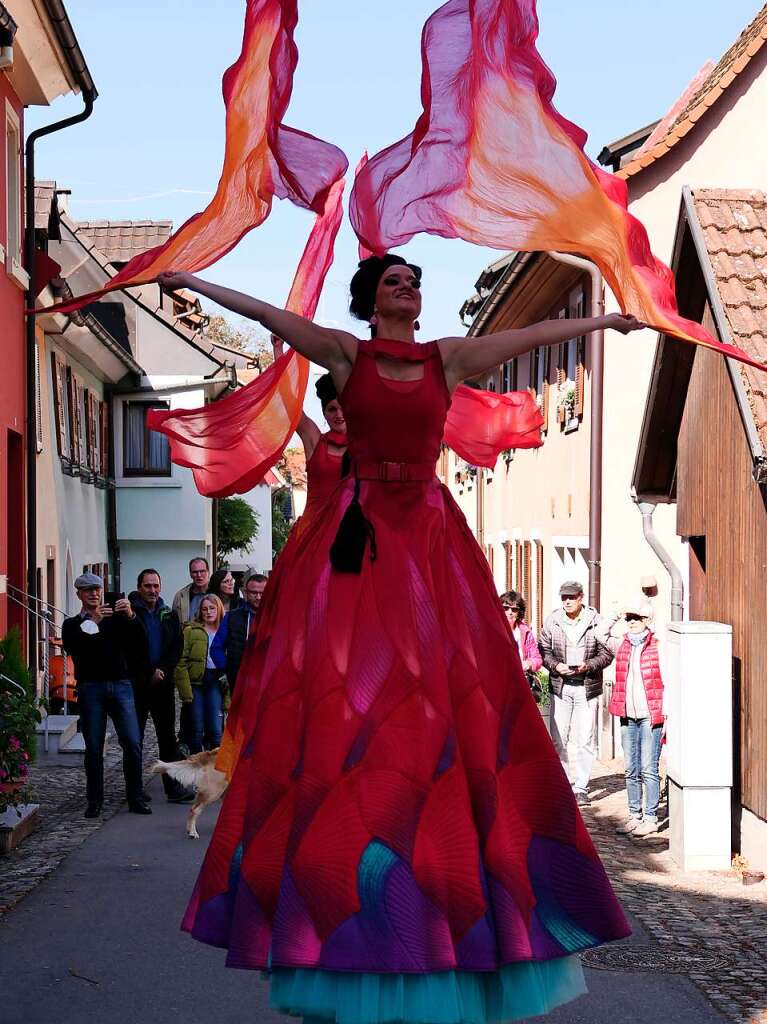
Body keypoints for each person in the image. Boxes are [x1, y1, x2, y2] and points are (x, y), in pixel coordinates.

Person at [159, 258, 641, 1023]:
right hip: (360, 539)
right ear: (370, 301)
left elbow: (531, 332)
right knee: (348, 701)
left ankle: (448, 856)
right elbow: (264, 315)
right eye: (394, 282)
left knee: (452, 698)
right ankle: (354, 852)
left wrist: (604, 321)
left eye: (417, 279)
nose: (409, 288)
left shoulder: (444, 357)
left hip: (425, 535)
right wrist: (196, 285)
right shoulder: (345, 356)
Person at [61, 572, 150, 818]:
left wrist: (131, 616)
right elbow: (76, 648)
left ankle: (135, 796)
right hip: (91, 687)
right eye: (88, 590)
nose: (94, 593)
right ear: (79, 594)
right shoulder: (72, 625)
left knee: (132, 742)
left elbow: (140, 642)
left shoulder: (116, 619)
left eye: (97, 589)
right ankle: (94, 800)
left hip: (120, 684)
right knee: (94, 747)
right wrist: (93, 622)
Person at [539, 581, 614, 807]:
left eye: (571, 597)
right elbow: (544, 650)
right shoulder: (553, 621)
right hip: (561, 686)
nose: (567, 601)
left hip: (586, 688)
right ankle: (563, 782)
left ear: (581, 598)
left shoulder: (595, 622)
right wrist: (555, 666)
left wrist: (588, 665)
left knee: (585, 739)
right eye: (564, 597)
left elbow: (607, 653)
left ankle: (581, 787)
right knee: (559, 737)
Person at [129, 569, 193, 804]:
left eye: (156, 586)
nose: (152, 590)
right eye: (148, 586)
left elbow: (177, 646)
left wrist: (162, 671)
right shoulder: (129, 614)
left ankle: (173, 788)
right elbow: (129, 651)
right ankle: (134, 790)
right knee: (134, 739)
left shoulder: (169, 614)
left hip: (163, 685)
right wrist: (149, 672)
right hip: (138, 685)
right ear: (139, 587)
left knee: (167, 739)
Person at [603, 598, 666, 838]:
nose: (631, 622)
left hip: (650, 715)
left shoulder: (658, 646)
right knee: (630, 768)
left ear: (647, 620)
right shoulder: (623, 644)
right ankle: (634, 815)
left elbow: (667, 681)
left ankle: (650, 818)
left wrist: (665, 714)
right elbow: (601, 633)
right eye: (628, 619)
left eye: (635, 618)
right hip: (627, 714)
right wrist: (616, 613)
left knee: (649, 768)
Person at [174, 594, 226, 754]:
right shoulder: (191, 631)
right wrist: (185, 691)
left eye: (212, 608)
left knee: (216, 730)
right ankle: (196, 766)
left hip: (216, 681)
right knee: (196, 728)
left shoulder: (225, 630)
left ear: (219, 609)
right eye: (205, 609)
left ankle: (214, 769)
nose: (209, 612)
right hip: (196, 682)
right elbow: (180, 661)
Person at [211, 573, 267, 696]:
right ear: (246, 592)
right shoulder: (232, 617)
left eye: (262, 593)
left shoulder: (278, 618)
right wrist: (229, 669)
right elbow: (216, 648)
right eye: (254, 593)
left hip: (268, 681)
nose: (258, 597)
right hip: (239, 681)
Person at [500, 590, 543, 698]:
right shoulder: (492, 630)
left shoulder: (525, 632)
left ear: (519, 612)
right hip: (498, 684)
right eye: (506, 608)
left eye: (514, 609)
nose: (510, 612)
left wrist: (528, 664)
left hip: (521, 684)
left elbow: (537, 659)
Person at [172, 557, 211, 622]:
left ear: (208, 572)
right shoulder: (180, 596)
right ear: (190, 574)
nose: (199, 575)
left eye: (202, 571)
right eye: (195, 572)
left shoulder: (217, 593)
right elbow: (174, 623)